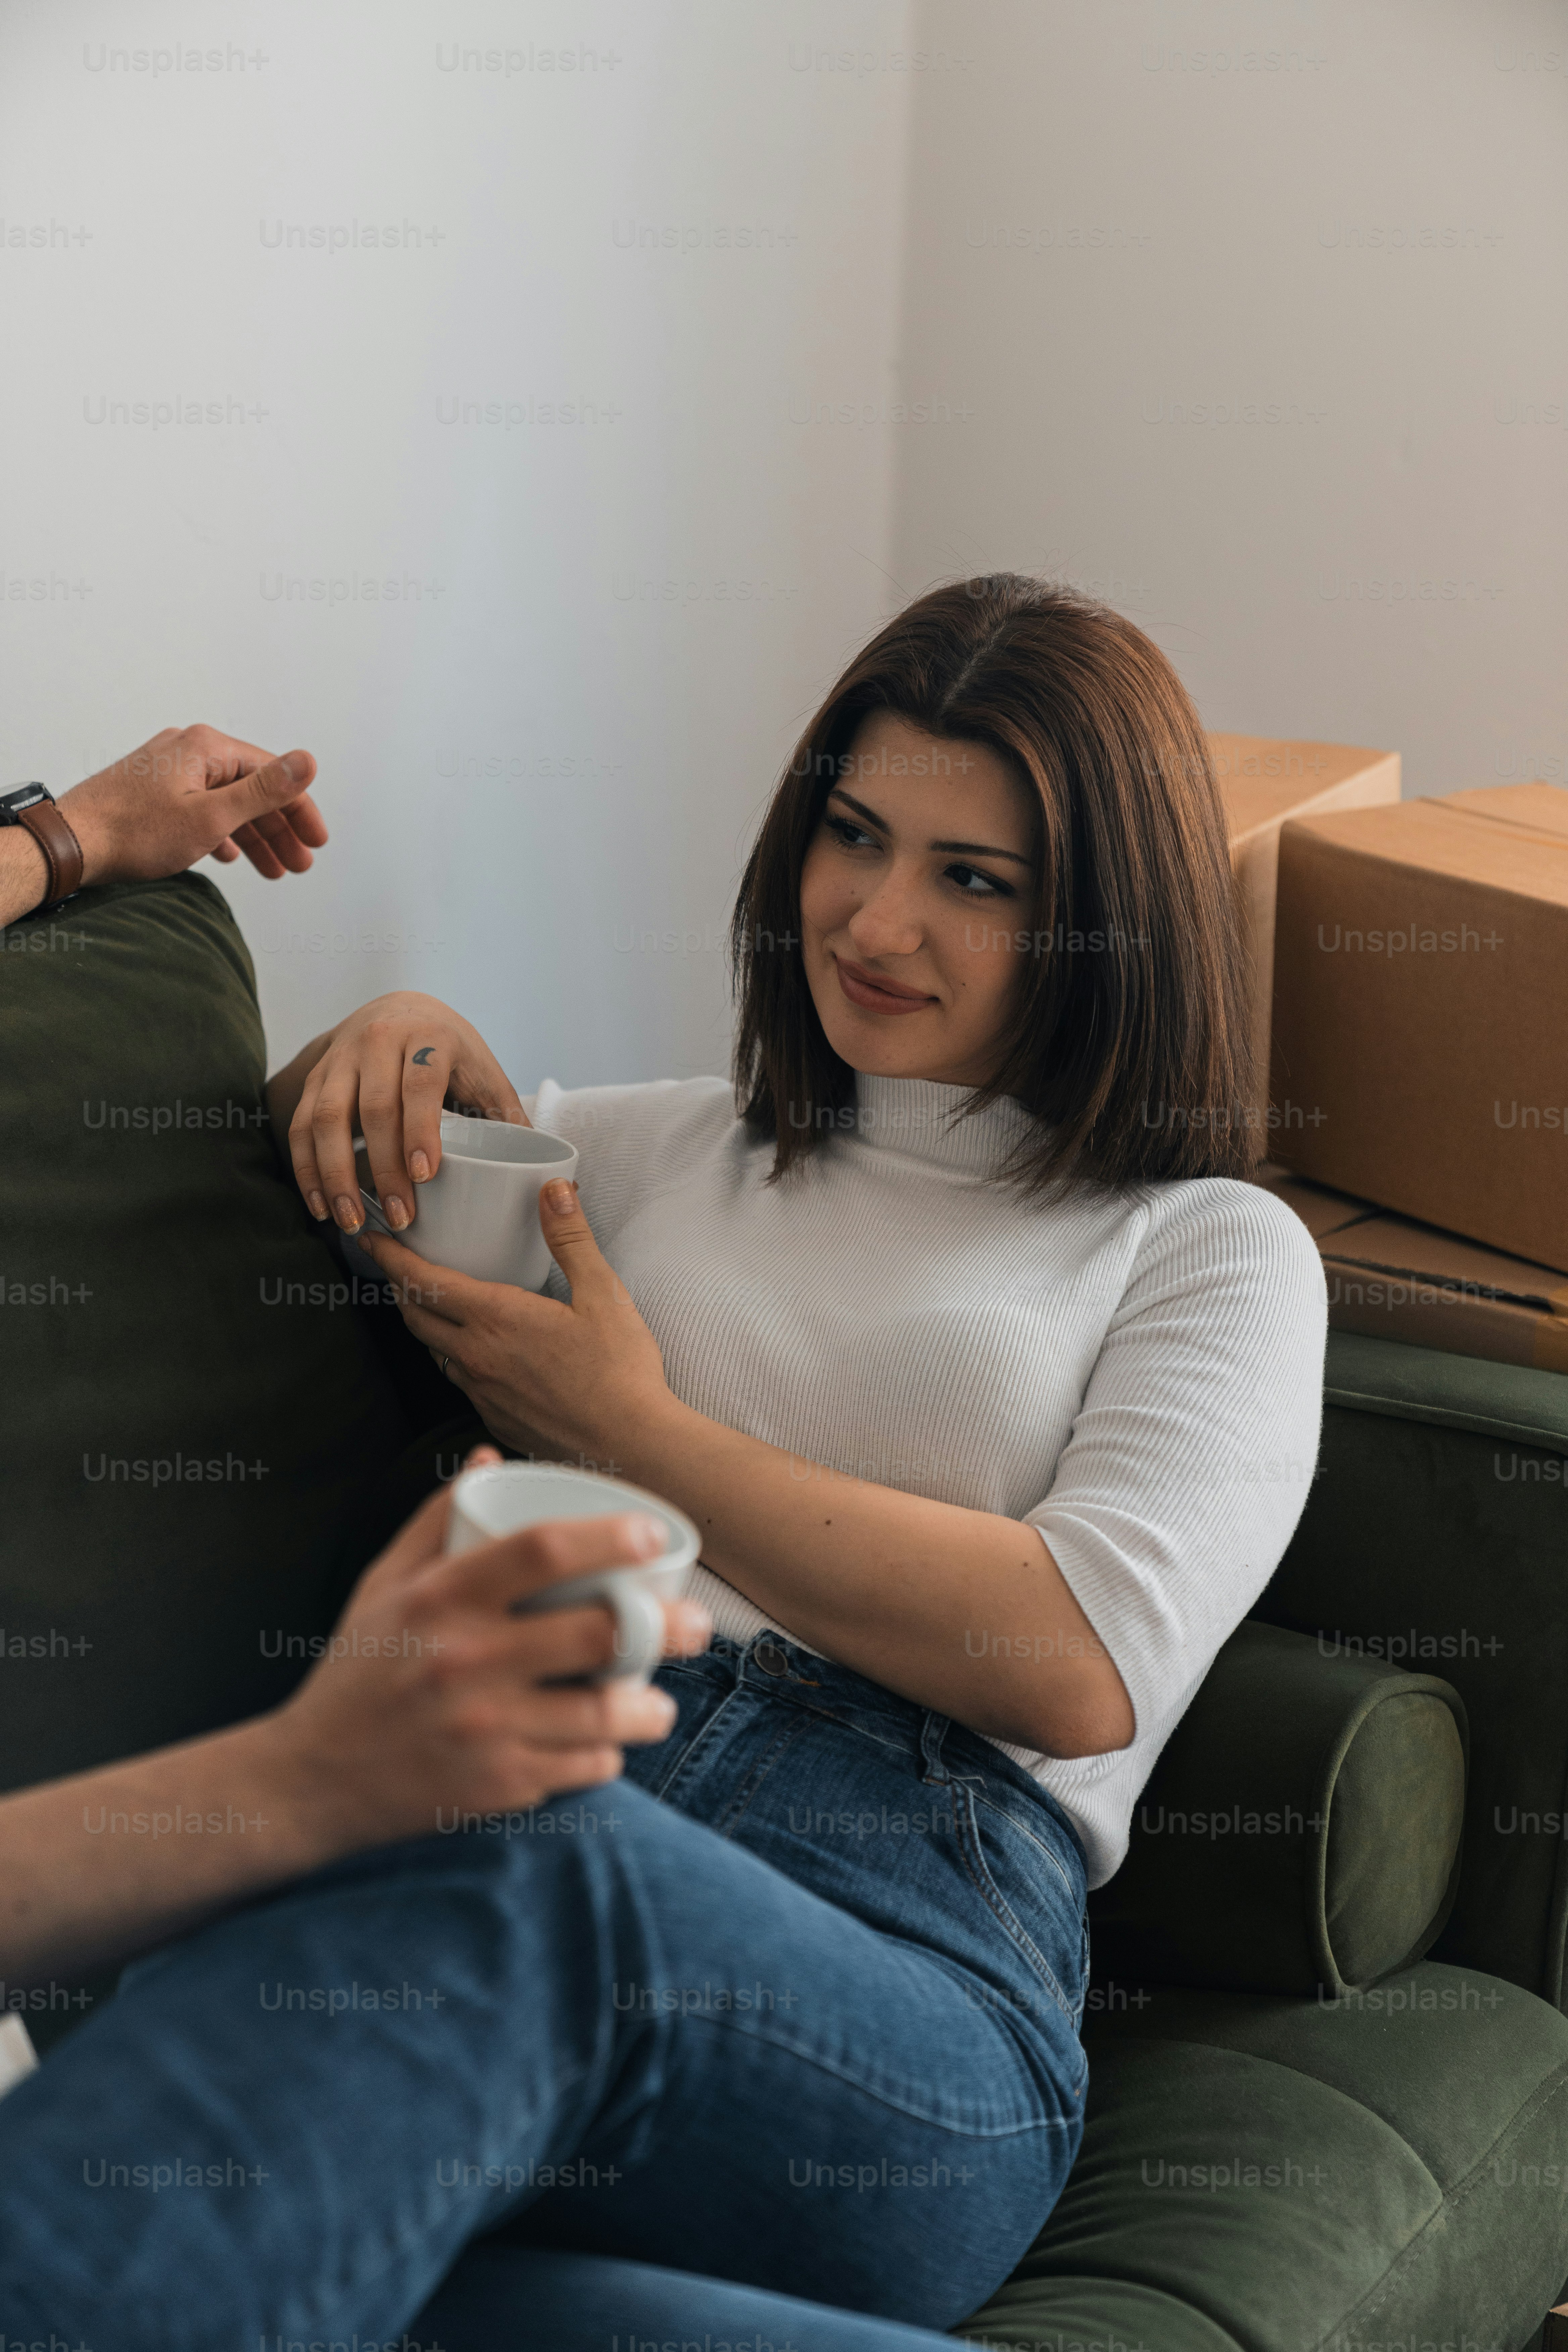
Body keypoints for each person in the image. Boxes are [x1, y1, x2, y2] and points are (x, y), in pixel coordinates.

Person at [0, 578, 1326, 2348]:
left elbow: (1080, 1659)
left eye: (975, 879)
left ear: (1108, 926)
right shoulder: (654, 1150)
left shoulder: (1204, 1247)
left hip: (906, 1967)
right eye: (854, 835)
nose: (875, 917)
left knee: (531, 1866)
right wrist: (380, 1038)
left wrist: (631, 1430)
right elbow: (342, 1179)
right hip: (520, 1858)